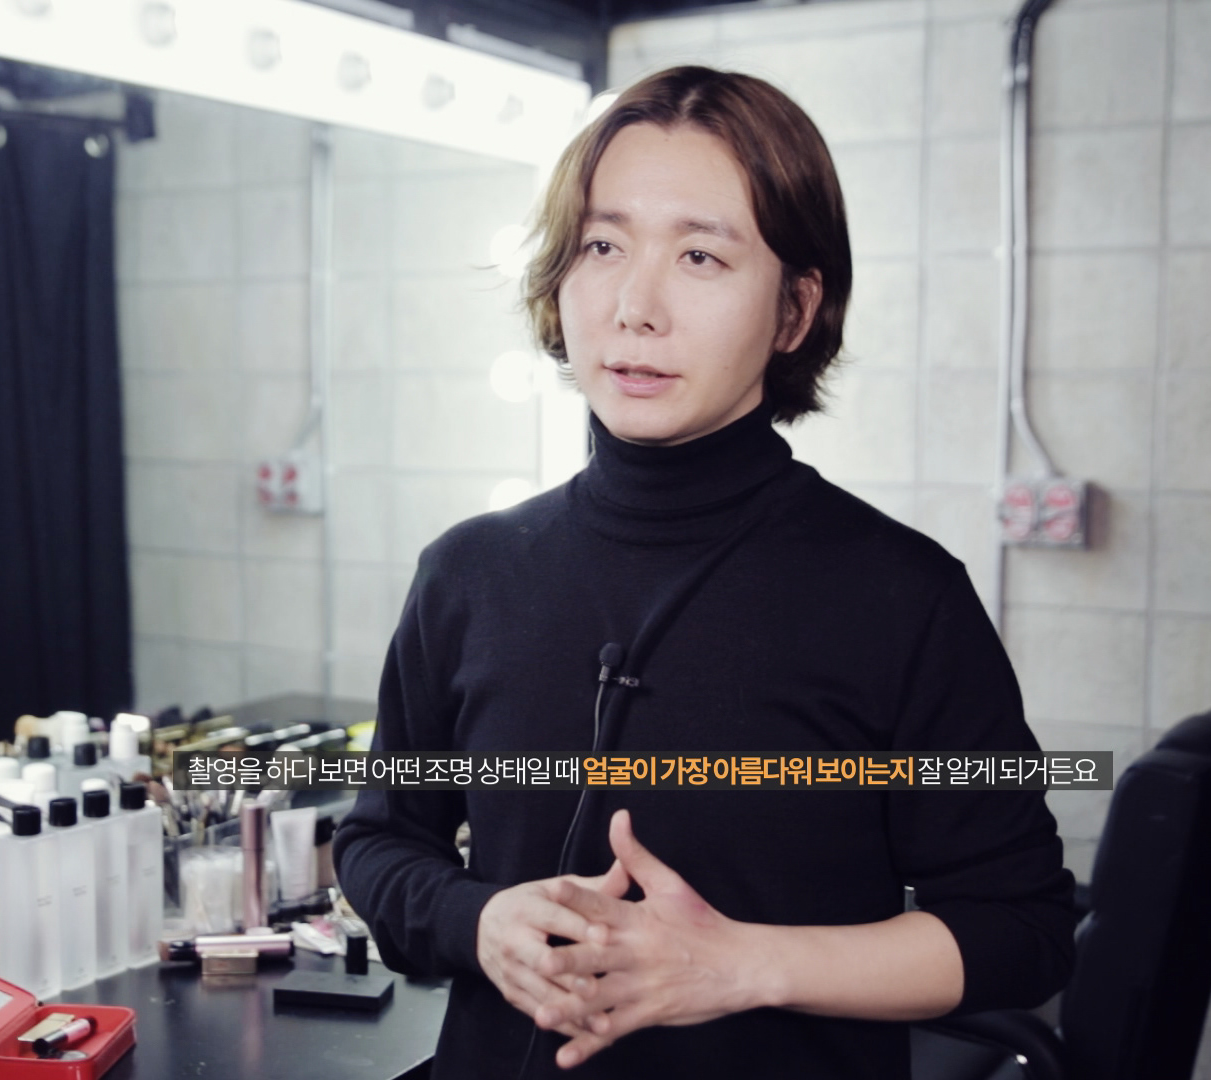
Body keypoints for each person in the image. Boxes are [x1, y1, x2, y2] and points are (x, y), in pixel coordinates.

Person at [333, 65, 1076, 1079]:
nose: (634, 306)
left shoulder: (902, 596)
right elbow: (380, 841)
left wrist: (740, 966)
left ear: (794, 310)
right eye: (602, 246)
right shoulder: (468, 573)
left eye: (699, 256)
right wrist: (477, 920)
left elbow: (1022, 930)